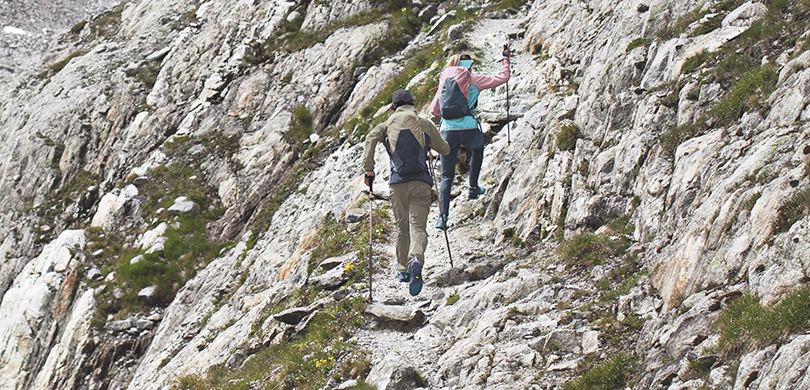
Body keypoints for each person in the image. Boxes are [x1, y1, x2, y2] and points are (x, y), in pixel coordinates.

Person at [363, 89, 450, 296]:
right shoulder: (423, 123)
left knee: (402, 228)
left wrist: (369, 170)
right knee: (418, 227)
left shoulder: (385, 126)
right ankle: (416, 259)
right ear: (413, 104)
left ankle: (402, 270)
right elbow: (444, 149)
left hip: (397, 184)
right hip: (421, 182)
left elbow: (370, 139)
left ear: (393, 107)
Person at [428, 47, 511, 229]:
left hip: (447, 131)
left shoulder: (444, 80)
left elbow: (434, 109)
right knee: (478, 147)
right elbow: (502, 78)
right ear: (469, 66)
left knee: (446, 176)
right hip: (469, 127)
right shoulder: (473, 79)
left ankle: (443, 218)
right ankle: (473, 187)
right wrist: (505, 59)